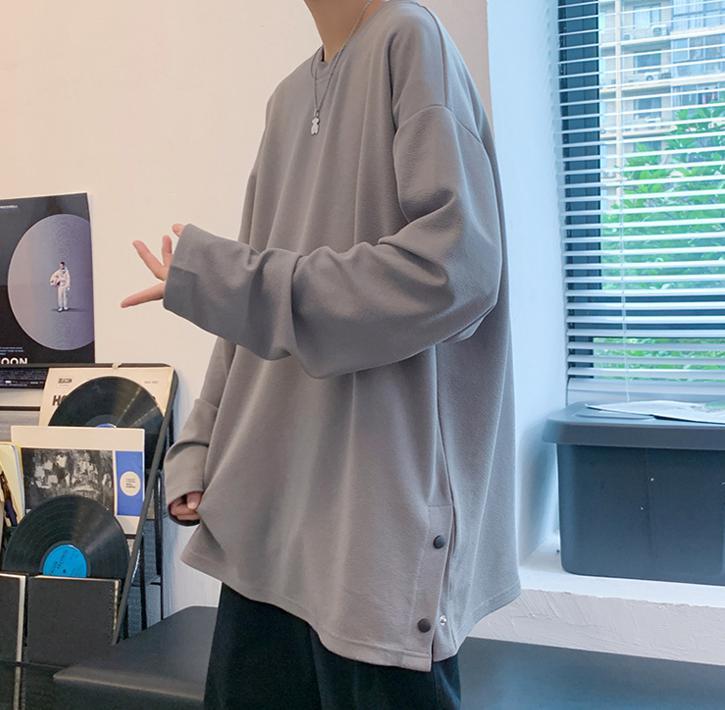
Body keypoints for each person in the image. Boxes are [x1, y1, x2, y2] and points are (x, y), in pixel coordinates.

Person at [121, 0, 521, 707]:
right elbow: (251, 301)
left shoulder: (409, 39)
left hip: (374, 529)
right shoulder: (285, 101)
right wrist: (201, 444)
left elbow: (454, 271)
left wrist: (232, 280)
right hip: (268, 521)